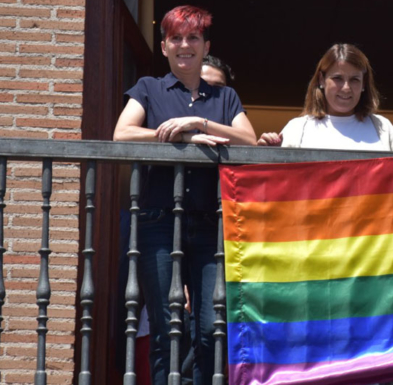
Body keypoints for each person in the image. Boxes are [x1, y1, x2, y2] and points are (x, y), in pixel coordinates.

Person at [112, 5, 256, 385]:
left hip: (211, 226)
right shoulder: (149, 88)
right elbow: (122, 134)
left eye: (193, 37)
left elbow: (250, 139)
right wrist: (181, 137)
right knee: (165, 328)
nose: (184, 45)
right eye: (175, 38)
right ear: (164, 47)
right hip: (157, 224)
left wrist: (199, 122)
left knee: (211, 328)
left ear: (205, 45)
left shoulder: (225, 98)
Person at [257, 43, 393, 151]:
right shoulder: (296, 129)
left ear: (364, 84)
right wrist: (267, 153)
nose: (346, 88)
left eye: (354, 79)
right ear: (321, 80)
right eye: (337, 78)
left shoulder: (383, 128)